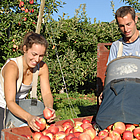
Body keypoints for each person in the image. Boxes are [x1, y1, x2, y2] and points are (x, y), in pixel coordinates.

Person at [0, 32, 56, 136]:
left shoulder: (42, 67)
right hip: (3, 108)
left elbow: (47, 93)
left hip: (21, 106)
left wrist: (49, 107)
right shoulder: (12, 68)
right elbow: (10, 101)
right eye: (34, 54)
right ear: (25, 49)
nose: (37, 60)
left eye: (41, 56)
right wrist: (29, 118)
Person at [96, 6, 140, 130]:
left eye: (128, 24)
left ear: (135, 19)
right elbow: (111, 74)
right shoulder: (117, 46)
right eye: (121, 26)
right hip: (120, 89)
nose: (126, 29)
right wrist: (105, 92)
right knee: (103, 119)